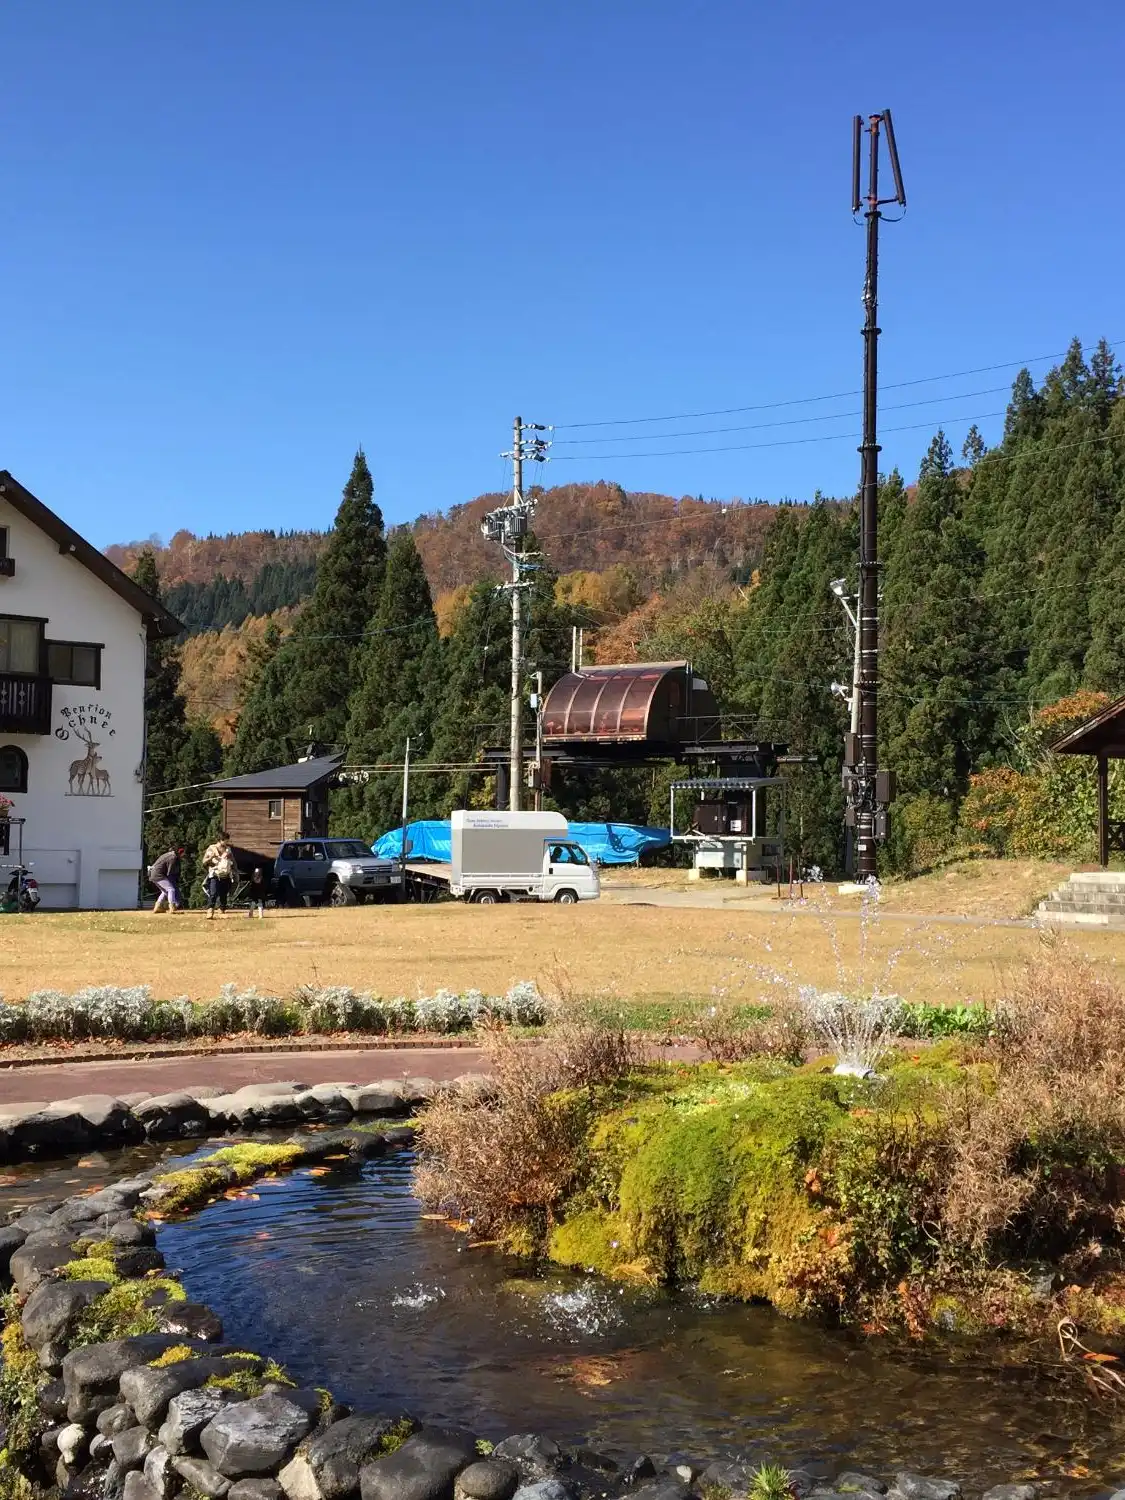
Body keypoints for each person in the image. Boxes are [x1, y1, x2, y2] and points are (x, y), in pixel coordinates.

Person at [201, 835, 236, 919]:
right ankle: (210, 911)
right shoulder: (211, 848)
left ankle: (222, 910)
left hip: (226, 875)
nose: (227, 842)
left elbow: (233, 860)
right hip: (215, 874)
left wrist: (234, 869)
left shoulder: (228, 849)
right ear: (221, 840)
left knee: (224, 894)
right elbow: (204, 862)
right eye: (226, 840)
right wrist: (211, 857)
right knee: (213, 893)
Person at [148, 848, 184, 913]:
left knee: (164, 891)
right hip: (158, 874)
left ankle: (158, 907)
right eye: (183, 854)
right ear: (180, 853)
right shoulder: (173, 857)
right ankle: (172, 908)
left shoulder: (168, 854)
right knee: (171, 889)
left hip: (153, 874)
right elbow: (169, 873)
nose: (182, 856)